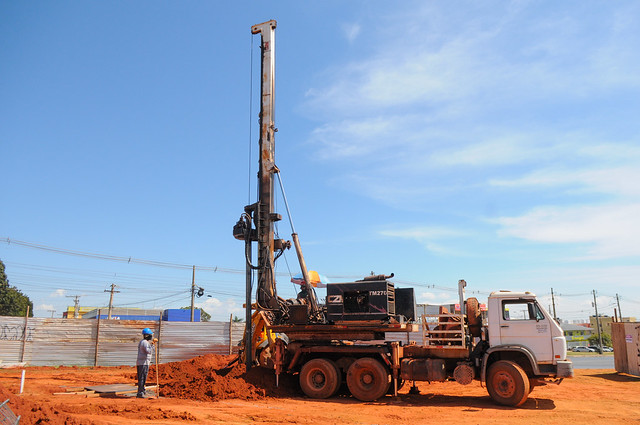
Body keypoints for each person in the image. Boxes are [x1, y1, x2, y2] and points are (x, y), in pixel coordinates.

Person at [136, 327, 156, 398]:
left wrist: (152, 344)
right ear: (147, 335)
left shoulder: (146, 342)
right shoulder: (144, 342)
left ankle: (142, 390)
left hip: (145, 363)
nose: (151, 336)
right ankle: (140, 392)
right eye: (150, 335)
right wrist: (153, 344)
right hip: (142, 363)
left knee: (144, 377)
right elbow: (149, 351)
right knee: (141, 378)